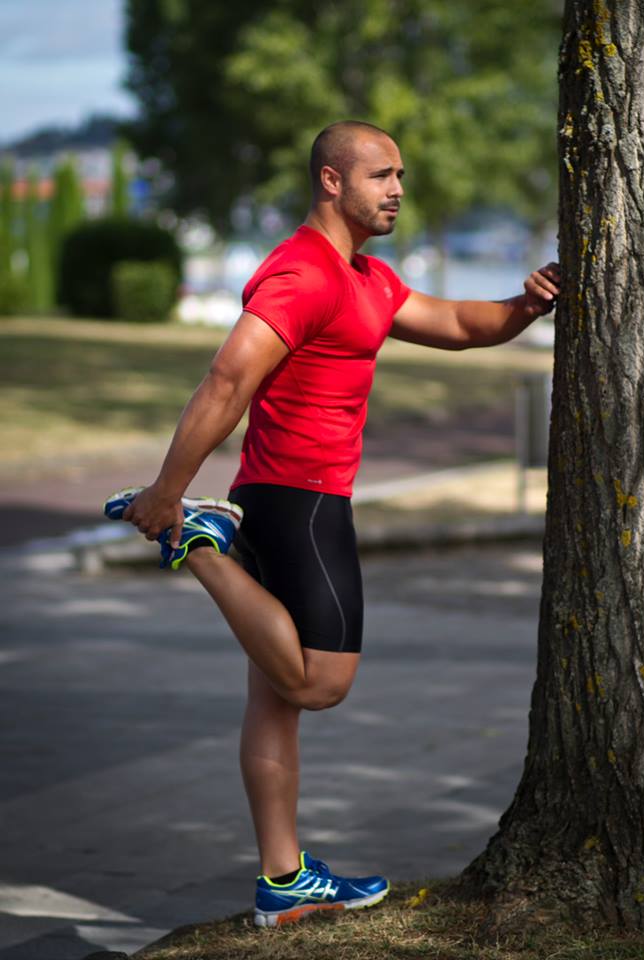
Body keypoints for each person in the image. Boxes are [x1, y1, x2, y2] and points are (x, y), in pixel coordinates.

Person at [104, 120, 560, 927]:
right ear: (330, 182)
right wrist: (171, 494)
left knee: (275, 699)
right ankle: (199, 547)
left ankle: (282, 880)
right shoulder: (302, 275)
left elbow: (458, 326)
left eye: (401, 176)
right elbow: (225, 380)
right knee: (321, 682)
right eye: (381, 175)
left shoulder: (367, 280)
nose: (397, 190)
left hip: (284, 495)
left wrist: (527, 303)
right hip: (300, 501)